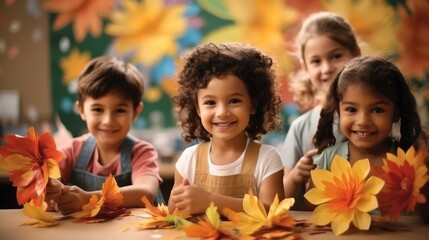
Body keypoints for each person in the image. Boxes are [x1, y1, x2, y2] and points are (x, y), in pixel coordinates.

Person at [168, 43, 285, 215]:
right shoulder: (189, 159)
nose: (222, 112)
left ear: (253, 104)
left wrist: (211, 201)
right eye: (210, 103)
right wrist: (178, 200)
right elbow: (174, 210)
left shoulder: (267, 158)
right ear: (198, 109)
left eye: (234, 101)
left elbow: (275, 212)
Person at [45, 56, 163, 215]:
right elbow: (47, 191)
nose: (108, 121)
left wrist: (88, 199)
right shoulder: (72, 150)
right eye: (98, 110)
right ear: (81, 110)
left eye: (120, 110)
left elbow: (146, 192)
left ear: (135, 112)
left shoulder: (142, 152)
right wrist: (52, 193)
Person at [313, 56, 428, 214]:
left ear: (396, 113)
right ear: (338, 111)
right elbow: (312, 213)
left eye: (377, 110)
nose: (363, 121)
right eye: (352, 110)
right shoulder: (327, 160)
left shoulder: (409, 162)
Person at [281, 12, 361, 208]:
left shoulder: (377, 115)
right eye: (316, 61)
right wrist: (296, 176)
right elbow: (281, 197)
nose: (326, 68)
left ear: (356, 53)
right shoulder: (301, 127)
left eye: (336, 56)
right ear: (305, 67)